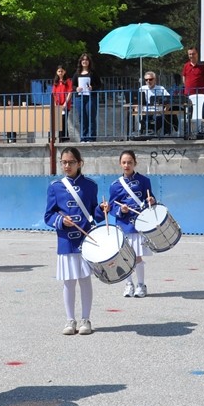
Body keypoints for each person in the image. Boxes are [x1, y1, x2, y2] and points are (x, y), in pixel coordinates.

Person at [45, 147, 103, 335]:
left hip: (86, 240)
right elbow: (48, 216)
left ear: (80, 163)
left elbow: (95, 214)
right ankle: (70, 320)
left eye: (71, 162)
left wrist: (103, 209)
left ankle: (86, 319)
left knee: (85, 280)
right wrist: (61, 221)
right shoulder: (55, 186)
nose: (67, 165)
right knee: (68, 282)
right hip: (66, 242)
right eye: (64, 162)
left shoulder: (91, 185)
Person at [106, 149, 156, 298]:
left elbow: (151, 200)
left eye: (130, 162)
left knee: (138, 256)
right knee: (125, 257)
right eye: (124, 162)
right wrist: (121, 209)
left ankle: (141, 284)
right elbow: (112, 206)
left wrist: (151, 201)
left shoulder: (144, 181)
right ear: (120, 164)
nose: (127, 165)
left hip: (139, 224)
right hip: (124, 224)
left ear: (135, 163)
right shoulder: (115, 185)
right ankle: (129, 284)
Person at [73, 53, 99, 142]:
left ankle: (91, 137)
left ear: (89, 62)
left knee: (91, 117)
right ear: (80, 62)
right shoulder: (77, 73)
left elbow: (99, 84)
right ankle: (83, 137)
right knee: (82, 117)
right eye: (83, 60)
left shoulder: (93, 73)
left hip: (91, 97)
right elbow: (72, 85)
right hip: (79, 98)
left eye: (86, 60)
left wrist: (93, 88)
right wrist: (76, 88)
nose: (85, 61)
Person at [52, 65, 73, 142]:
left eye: (62, 71)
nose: (60, 73)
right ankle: (62, 137)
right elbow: (53, 93)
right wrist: (55, 103)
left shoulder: (68, 81)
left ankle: (64, 137)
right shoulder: (56, 82)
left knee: (64, 120)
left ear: (64, 72)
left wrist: (65, 103)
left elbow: (70, 92)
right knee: (59, 121)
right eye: (59, 71)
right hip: (58, 105)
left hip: (65, 105)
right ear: (57, 72)